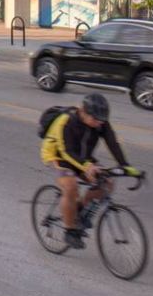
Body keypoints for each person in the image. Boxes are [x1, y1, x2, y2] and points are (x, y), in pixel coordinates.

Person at [40, 92, 138, 248]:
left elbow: (112, 142)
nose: (99, 123)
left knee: (106, 183)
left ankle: (79, 211)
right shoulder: (68, 121)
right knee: (71, 186)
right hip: (60, 156)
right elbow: (67, 152)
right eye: (95, 120)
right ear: (83, 112)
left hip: (83, 157)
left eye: (102, 121)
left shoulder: (100, 122)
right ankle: (69, 231)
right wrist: (87, 166)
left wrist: (125, 165)